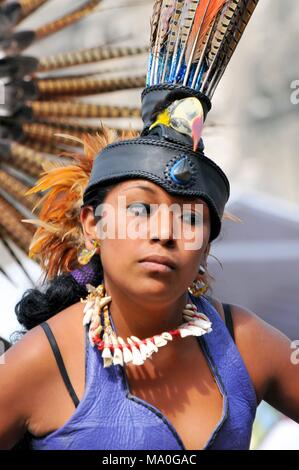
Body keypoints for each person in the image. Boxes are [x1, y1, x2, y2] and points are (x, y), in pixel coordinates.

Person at [1, 0, 298, 451]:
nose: (166, 232)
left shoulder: (245, 343)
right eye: (140, 211)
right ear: (91, 226)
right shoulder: (38, 363)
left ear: (207, 246)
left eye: (191, 218)